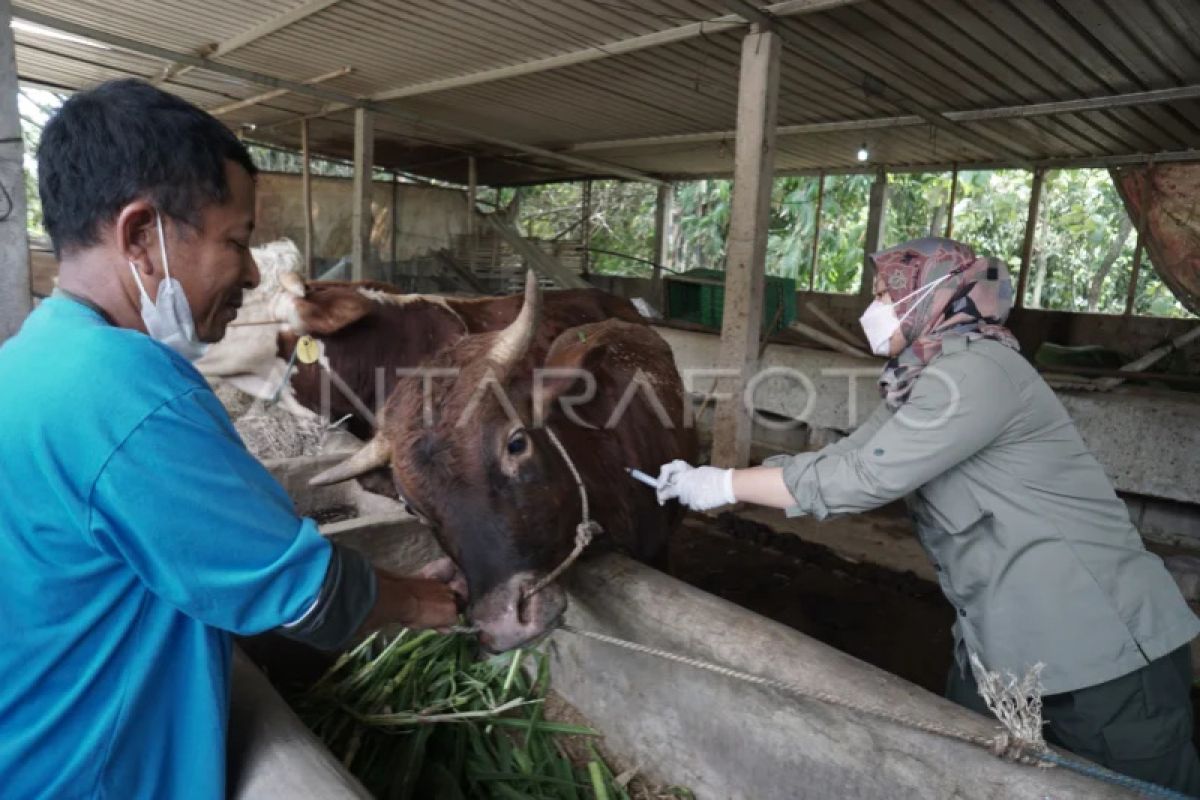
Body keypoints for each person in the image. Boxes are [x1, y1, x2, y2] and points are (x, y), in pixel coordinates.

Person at [0, 79, 460, 799]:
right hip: (93, 776)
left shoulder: (27, 359)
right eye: (237, 242)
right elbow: (302, 595)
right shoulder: (128, 393)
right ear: (140, 237)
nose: (251, 272)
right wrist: (441, 604)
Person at [656, 237, 1200, 794]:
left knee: (1135, 790)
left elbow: (865, 478)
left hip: (1099, 654)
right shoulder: (927, 379)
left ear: (934, 297)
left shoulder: (978, 372)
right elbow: (850, 454)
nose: (871, 310)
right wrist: (722, 481)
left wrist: (722, 484)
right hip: (1002, 646)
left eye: (884, 295)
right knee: (964, 772)